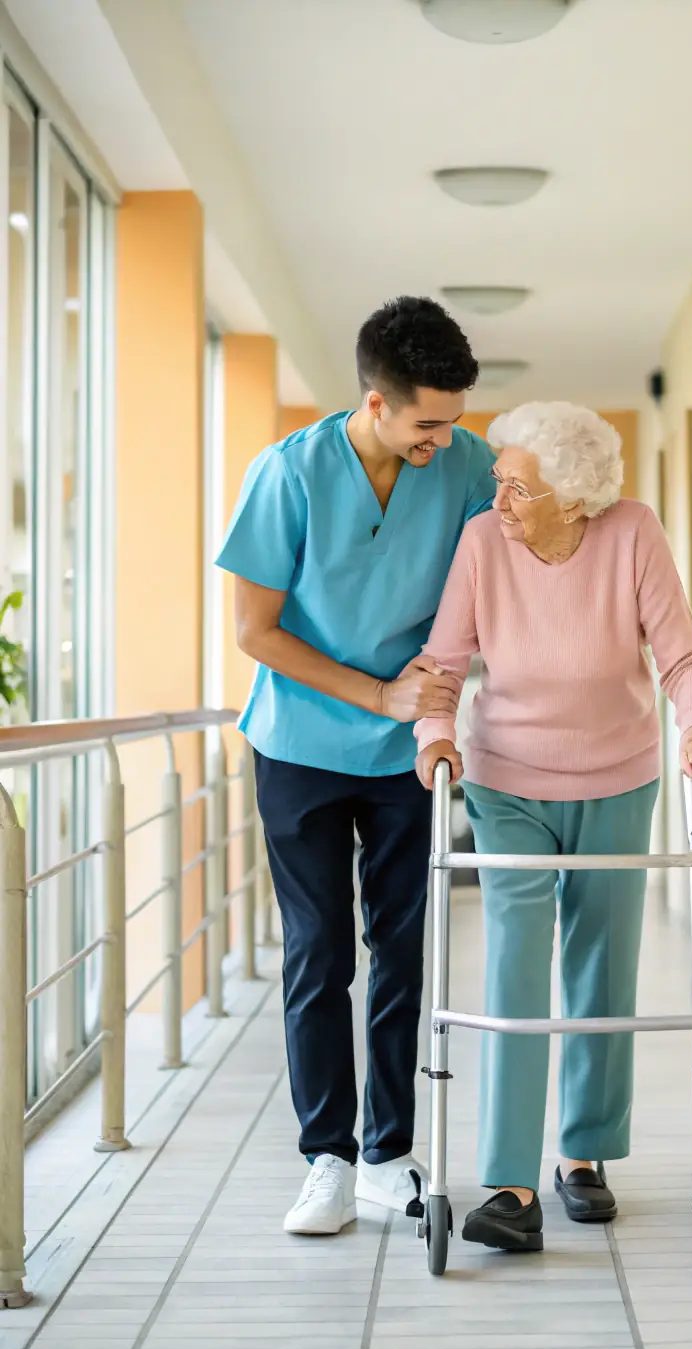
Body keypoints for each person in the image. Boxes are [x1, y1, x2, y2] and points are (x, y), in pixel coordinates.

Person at [414, 401, 692, 1252]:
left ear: (574, 496)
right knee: (518, 957)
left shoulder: (631, 533)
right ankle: (511, 1183)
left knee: (601, 959)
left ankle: (583, 1156)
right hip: (507, 778)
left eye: (519, 486)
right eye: (500, 482)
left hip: (619, 777)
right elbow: (443, 663)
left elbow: (682, 654)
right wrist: (433, 732)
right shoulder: (484, 544)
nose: (501, 499)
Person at [216, 297, 495, 1235]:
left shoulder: (464, 462)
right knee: (319, 950)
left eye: (454, 421)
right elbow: (255, 631)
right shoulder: (287, 474)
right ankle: (326, 1158)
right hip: (298, 743)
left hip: (406, 751)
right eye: (428, 422)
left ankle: (387, 1154)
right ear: (375, 403)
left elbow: (504, 570)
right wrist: (372, 694)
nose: (445, 440)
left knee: (403, 951)